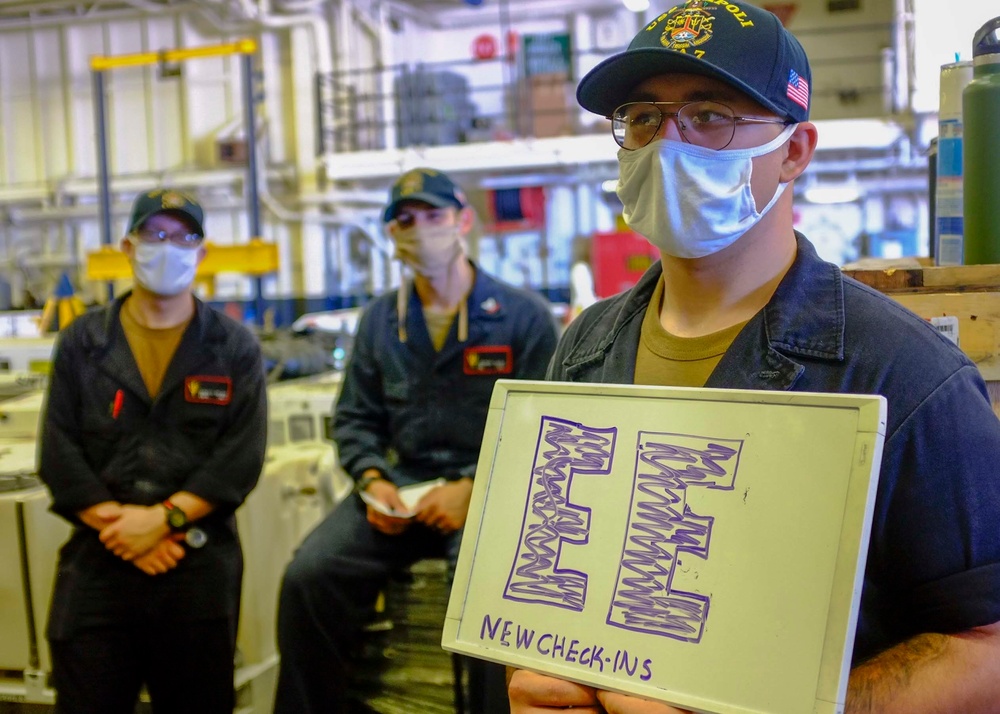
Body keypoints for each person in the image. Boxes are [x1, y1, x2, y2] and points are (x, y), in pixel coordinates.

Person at [507, 2, 1000, 713]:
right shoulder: (586, 350)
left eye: (709, 115)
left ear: (794, 152)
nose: (665, 144)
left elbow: (986, 650)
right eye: (643, 118)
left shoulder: (907, 376)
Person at [274, 167, 559, 713]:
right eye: (406, 220)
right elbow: (355, 418)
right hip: (400, 493)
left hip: (494, 497)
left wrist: (475, 489)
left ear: (463, 222)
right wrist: (372, 478)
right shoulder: (381, 321)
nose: (421, 230)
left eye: (434, 216)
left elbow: (544, 432)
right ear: (392, 235)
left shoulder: (523, 318)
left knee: (487, 598)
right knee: (309, 578)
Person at [39, 188, 268, 714]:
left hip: (195, 558)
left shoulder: (232, 347)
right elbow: (58, 451)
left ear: (202, 252)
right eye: (155, 234)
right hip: (102, 554)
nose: (169, 247)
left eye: (184, 236)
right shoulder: (82, 341)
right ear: (128, 244)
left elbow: (240, 458)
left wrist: (162, 520)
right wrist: (126, 528)